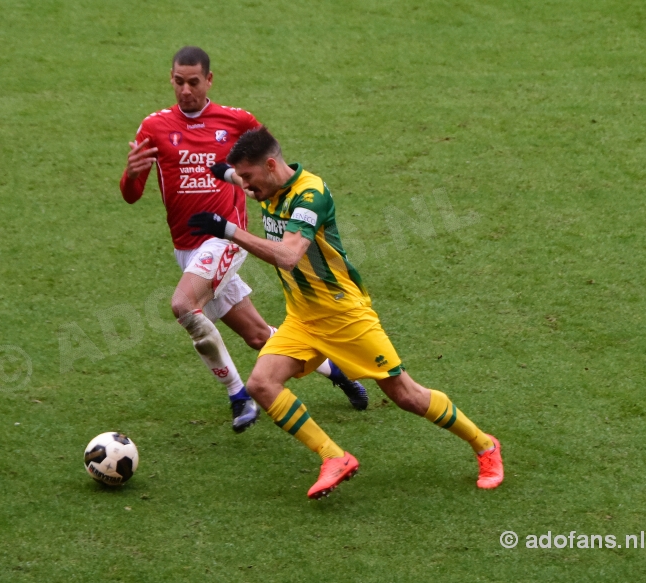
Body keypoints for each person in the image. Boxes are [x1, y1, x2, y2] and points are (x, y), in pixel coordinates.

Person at [188, 126, 504, 499]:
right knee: (261, 384)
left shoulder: (310, 195)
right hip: (303, 318)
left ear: (271, 166)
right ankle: (334, 457)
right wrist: (221, 171)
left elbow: (289, 257)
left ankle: (485, 445)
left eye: (248, 177)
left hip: (344, 316)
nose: (245, 186)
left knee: (405, 395)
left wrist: (227, 230)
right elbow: (245, 179)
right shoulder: (268, 184)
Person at [119, 47, 368, 432]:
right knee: (257, 335)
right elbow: (131, 194)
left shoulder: (237, 122)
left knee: (184, 306)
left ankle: (238, 396)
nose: (185, 90)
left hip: (225, 239)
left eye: (194, 82)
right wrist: (133, 174)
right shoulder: (153, 127)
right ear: (171, 78)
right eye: (178, 81)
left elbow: (273, 171)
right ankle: (338, 371)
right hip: (186, 249)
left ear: (209, 80)